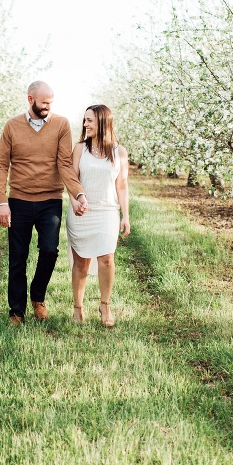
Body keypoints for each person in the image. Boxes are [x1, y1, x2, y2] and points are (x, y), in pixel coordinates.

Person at [0, 81, 89, 325]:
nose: (48, 106)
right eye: (44, 102)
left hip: (50, 200)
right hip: (19, 201)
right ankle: (16, 310)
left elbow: (64, 165)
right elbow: (0, 165)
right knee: (18, 256)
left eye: (51, 102)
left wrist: (78, 194)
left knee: (49, 250)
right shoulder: (12, 126)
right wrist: (2, 202)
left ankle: (38, 296)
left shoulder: (61, 124)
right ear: (30, 99)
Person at [66, 104, 130, 327]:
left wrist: (125, 216)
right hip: (81, 211)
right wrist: (74, 201)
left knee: (106, 259)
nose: (85, 124)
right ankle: (78, 308)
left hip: (107, 211)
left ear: (103, 121)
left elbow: (122, 186)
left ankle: (105, 305)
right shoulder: (79, 149)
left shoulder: (119, 152)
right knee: (81, 262)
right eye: (84, 120)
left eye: (89, 120)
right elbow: (71, 179)